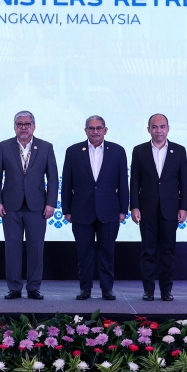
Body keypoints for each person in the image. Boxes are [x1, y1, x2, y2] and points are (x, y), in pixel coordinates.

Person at [0, 111, 58, 300]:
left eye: (27, 124)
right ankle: (14, 287)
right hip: (10, 205)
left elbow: (52, 178)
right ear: (14, 126)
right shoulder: (4, 146)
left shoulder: (46, 147)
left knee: (36, 248)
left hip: (37, 206)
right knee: (12, 248)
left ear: (33, 126)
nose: (23, 127)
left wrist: (51, 203)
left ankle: (34, 287)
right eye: (19, 124)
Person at [61, 115, 129, 301]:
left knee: (107, 252)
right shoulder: (73, 151)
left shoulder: (117, 151)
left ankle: (107, 289)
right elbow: (67, 182)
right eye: (91, 128)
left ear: (105, 130)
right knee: (84, 253)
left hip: (109, 211)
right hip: (81, 210)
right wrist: (66, 209)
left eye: (99, 128)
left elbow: (123, 183)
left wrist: (123, 210)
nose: (95, 131)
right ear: (86, 131)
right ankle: (85, 289)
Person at [129, 113, 187, 301]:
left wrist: (183, 207)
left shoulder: (179, 151)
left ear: (168, 128)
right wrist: (134, 207)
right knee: (148, 250)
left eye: (162, 127)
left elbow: (183, 182)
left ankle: (166, 290)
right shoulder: (139, 151)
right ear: (149, 130)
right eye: (154, 127)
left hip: (171, 209)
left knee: (168, 251)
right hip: (146, 208)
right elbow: (135, 181)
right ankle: (148, 290)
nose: (158, 130)